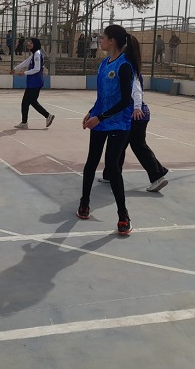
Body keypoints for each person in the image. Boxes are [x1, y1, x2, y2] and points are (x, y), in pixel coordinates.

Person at [76, 24, 141, 235]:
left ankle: (123, 215)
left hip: (119, 123)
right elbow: (102, 97)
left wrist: (100, 117)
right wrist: (91, 112)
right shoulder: (104, 64)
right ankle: (84, 203)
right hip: (100, 121)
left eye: (102, 37)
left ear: (112, 40)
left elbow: (125, 101)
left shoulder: (125, 66)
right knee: (91, 162)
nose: (100, 40)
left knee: (113, 167)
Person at [100, 73, 169, 192]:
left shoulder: (131, 72)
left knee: (130, 145)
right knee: (122, 146)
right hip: (134, 115)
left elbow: (137, 92)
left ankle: (157, 176)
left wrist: (137, 108)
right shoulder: (127, 71)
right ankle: (110, 175)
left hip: (134, 115)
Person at [11, 37, 54, 129]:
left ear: (35, 44)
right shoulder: (34, 54)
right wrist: (15, 68)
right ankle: (48, 116)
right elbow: (26, 62)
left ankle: (24, 122)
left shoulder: (37, 54)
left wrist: (24, 73)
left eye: (30, 42)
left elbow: (37, 69)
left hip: (35, 82)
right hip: (34, 82)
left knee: (25, 103)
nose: (28, 44)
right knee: (33, 102)